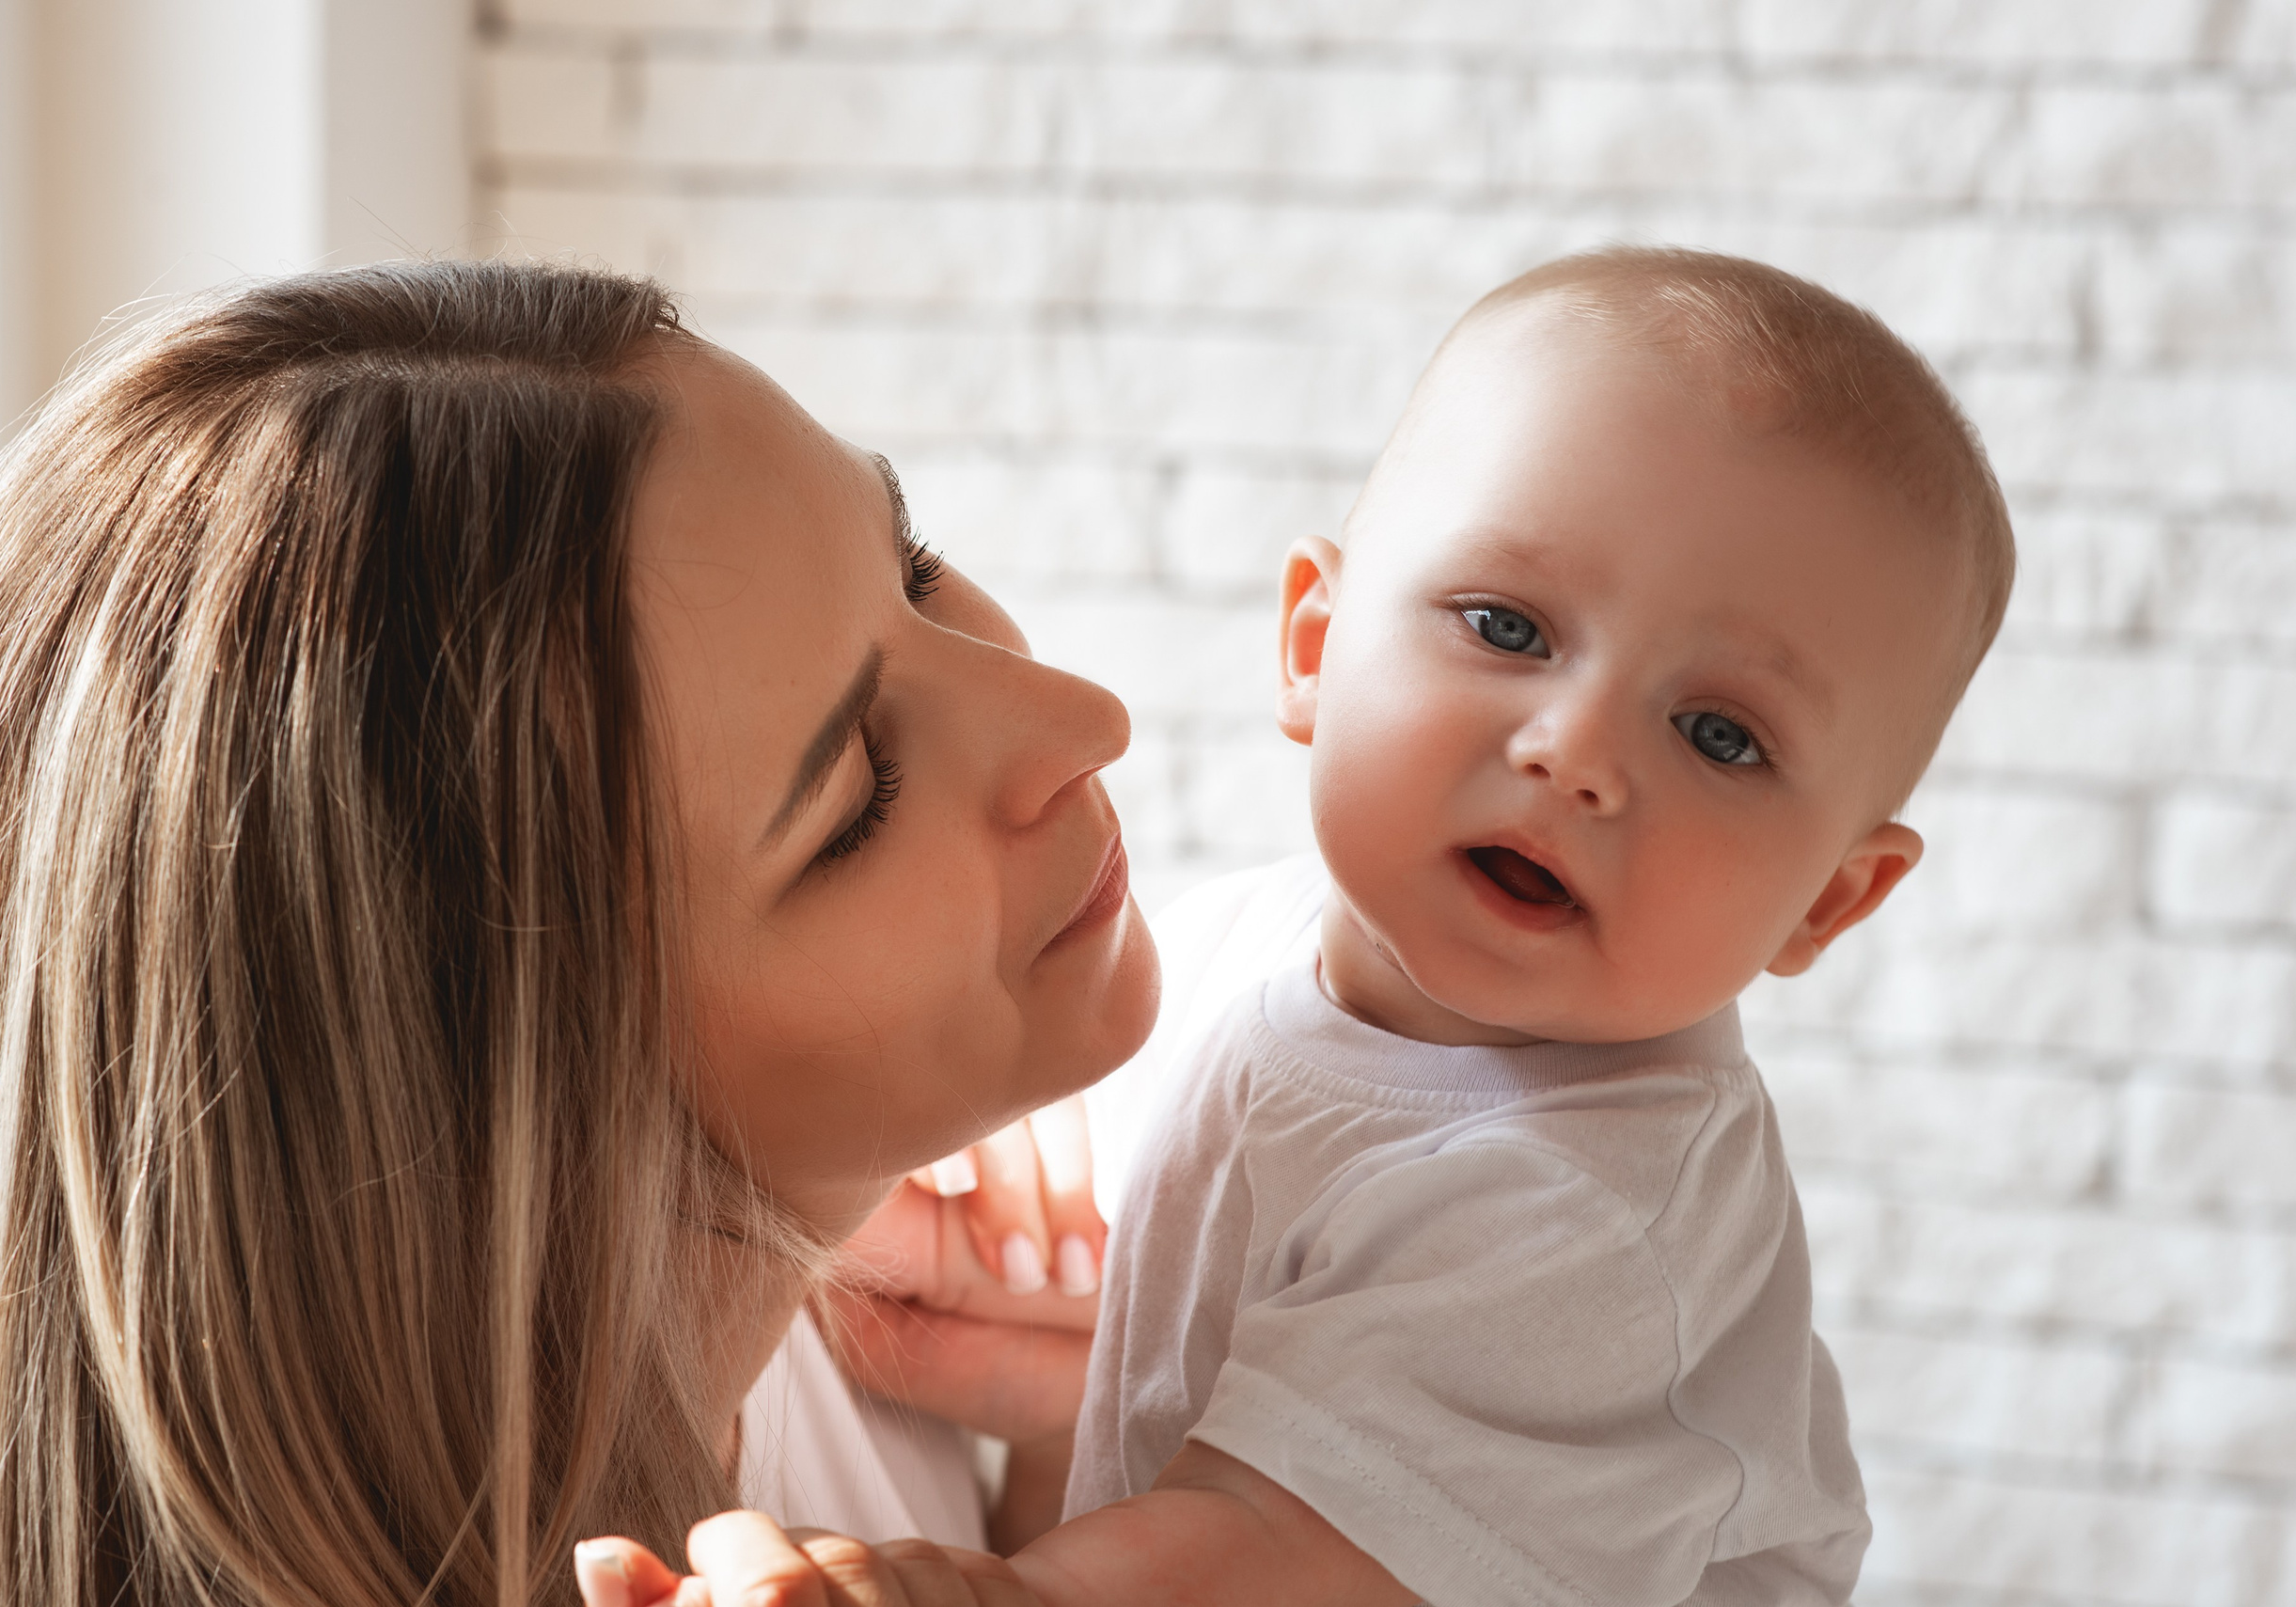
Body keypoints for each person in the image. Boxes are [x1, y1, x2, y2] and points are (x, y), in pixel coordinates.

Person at [580, 246, 2016, 1604]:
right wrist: (943, 1239)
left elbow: (1267, 1550)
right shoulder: (1263, 940)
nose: (1578, 752)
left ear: (1829, 896)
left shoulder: (1588, 1210)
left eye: (1718, 731)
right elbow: (1122, 1229)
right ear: (1315, 648)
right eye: (1508, 628)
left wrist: (966, 1587)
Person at [0, 259, 1154, 1607]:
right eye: (859, 796)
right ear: (521, 1117)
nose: (1082, 717)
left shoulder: (889, 1337)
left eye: (912, 568)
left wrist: (1075, 1462)